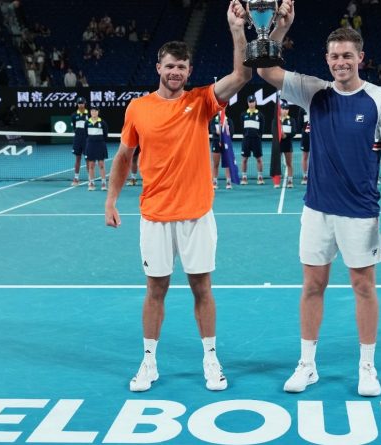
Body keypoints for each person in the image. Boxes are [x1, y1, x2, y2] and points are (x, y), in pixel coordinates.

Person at [104, 0, 253, 392]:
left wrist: (237, 31)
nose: (175, 72)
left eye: (182, 67)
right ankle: (149, 362)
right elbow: (124, 156)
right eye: (169, 65)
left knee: (202, 288)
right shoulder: (137, 108)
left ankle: (210, 358)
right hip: (154, 214)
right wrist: (110, 200)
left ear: (189, 71)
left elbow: (241, 75)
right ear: (159, 68)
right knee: (155, 289)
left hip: (196, 214)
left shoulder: (201, 101)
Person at [257, 8, 381, 397]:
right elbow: (267, 72)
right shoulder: (314, 91)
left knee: (363, 287)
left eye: (347, 56)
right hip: (317, 210)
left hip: (361, 212)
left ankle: (367, 367)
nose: (341, 62)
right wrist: (281, 27)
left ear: (360, 59)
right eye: (334, 56)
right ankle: (307, 365)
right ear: (327, 60)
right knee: (312, 286)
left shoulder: (380, 99)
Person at [240, 94, 265, 185]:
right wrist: (246, 134)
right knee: (244, 159)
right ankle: (244, 177)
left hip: (256, 140)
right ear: (248, 103)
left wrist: (258, 135)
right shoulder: (243, 114)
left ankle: (260, 177)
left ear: (255, 102)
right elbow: (242, 127)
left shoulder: (260, 115)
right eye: (250, 102)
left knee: (259, 159)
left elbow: (262, 128)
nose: (251, 104)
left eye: (253, 102)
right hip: (246, 140)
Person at [84, 105, 109, 191]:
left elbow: (105, 135)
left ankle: (103, 183)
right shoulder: (87, 123)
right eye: (92, 111)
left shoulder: (102, 123)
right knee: (91, 165)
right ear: (90, 112)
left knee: (101, 164)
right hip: (90, 145)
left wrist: (99, 140)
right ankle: (91, 183)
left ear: (98, 112)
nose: (94, 112)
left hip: (100, 145)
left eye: (95, 111)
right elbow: (86, 134)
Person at [209, 112, 234, 189]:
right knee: (215, 164)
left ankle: (228, 181)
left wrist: (225, 133)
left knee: (227, 164)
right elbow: (212, 130)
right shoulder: (213, 120)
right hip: (216, 143)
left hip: (226, 143)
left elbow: (232, 132)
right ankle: (214, 181)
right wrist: (218, 132)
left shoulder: (228, 121)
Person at [70, 96, 89, 186]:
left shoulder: (89, 114)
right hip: (77, 139)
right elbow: (74, 128)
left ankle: (90, 179)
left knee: (88, 159)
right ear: (77, 104)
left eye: (82, 103)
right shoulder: (74, 115)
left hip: (87, 140)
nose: (81, 105)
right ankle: (76, 178)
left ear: (85, 104)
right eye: (79, 103)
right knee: (78, 159)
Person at [279, 100, 295, 188]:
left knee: (289, 163)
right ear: (280, 109)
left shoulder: (291, 120)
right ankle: (277, 180)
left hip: (288, 143)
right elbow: (273, 131)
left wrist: (286, 135)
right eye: (283, 108)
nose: (285, 110)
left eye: (286, 109)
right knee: (277, 163)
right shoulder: (277, 120)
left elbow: (294, 131)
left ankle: (290, 180)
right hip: (279, 144)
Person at [298, 108, 310, 184]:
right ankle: (305, 176)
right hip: (306, 135)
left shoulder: (317, 105)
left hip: (317, 134)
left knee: (317, 156)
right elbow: (300, 123)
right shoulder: (302, 109)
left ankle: (316, 176)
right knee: (305, 156)